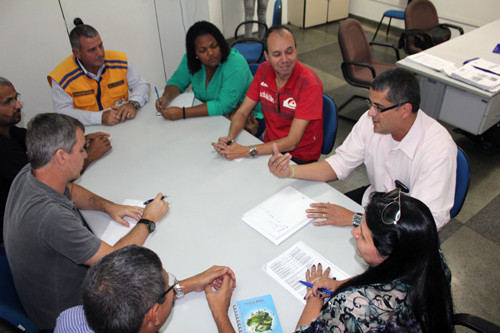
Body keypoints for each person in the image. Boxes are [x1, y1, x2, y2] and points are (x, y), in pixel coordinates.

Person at [3, 113, 168, 330]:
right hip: (69, 314)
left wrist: (109, 206)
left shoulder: (30, 172)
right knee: (159, 297)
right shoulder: (50, 216)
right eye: (81, 149)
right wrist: (148, 219)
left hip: (43, 289)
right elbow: (115, 261)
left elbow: (69, 189)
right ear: (61, 157)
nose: (85, 155)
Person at [268, 67, 456, 229]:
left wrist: (356, 219)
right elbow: (340, 163)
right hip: (375, 200)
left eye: (379, 107)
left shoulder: (437, 149)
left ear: (405, 110)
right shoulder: (372, 121)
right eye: (370, 104)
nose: (370, 113)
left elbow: (423, 222)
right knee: (315, 221)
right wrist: (291, 170)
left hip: (405, 224)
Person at [295, 191, 454, 332]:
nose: (354, 232)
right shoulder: (430, 257)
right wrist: (341, 284)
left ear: (388, 255)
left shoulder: (354, 308)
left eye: (363, 235)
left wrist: (315, 298)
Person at [0, 77, 110, 245]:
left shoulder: (11, 132)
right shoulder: (4, 151)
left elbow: (44, 143)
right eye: (8, 102)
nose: (18, 105)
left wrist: (78, 142)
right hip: (26, 231)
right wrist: (90, 156)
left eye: (16, 97)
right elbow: (48, 180)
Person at [54, 245, 236, 333]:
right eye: (170, 283)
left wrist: (190, 284)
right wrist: (220, 313)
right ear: (154, 315)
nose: (174, 285)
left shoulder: (69, 320)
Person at [212, 25, 323, 164]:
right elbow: (242, 113)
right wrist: (230, 139)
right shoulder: (263, 71)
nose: (285, 60)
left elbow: (292, 142)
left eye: (289, 52)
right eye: (277, 54)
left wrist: (245, 151)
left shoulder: (310, 84)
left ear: (296, 50)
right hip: (269, 146)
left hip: (298, 157)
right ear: (267, 56)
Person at [156, 21, 262, 136]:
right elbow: (177, 82)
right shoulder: (191, 61)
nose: (210, 53)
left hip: (245, 118)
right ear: (195, 53)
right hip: (211, 118)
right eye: (202, 50)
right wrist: (165, 98)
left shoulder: (235, 63)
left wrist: (182, 113)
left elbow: (224, 106)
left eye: (214, 46)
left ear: (221, 43)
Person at [48, 23, 150, 126]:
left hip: (122, 125)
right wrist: (99, 118)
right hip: (88, 132)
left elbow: (141, 85)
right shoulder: (61, 76)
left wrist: (133, 103)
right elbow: (62, 113)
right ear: (77, 53)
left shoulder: (119, 60)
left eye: (100, 45)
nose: (100, 53)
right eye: (92, 50)